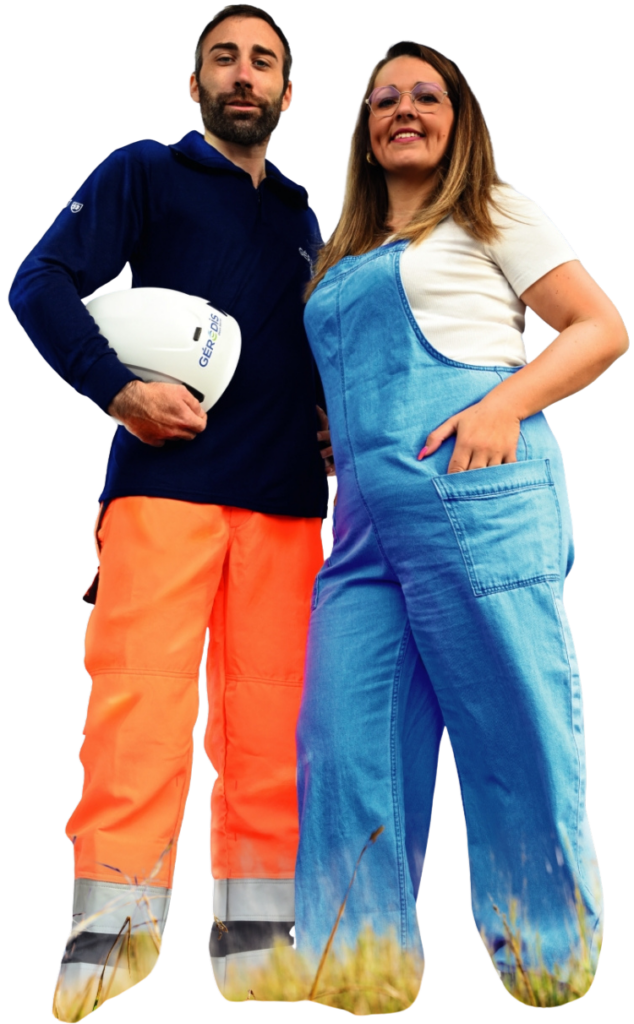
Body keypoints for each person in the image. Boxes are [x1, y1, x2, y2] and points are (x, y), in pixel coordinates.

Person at [8, 5, 335, 1017]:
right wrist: (117, 391)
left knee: (275, 723)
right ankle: (110, 937)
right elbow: (39, 281)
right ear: (194, 84)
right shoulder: (143, 171)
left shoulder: (308, 217)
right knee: (139, 708)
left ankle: (260, 942)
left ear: (288, 94)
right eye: (223, 59)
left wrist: (336, 428)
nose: (243, 75)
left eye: (263, 62)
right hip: (165, 493)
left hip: (289, 508)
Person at [293, 39, 626, 1007]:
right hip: (364, 533)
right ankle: (358, 968)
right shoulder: (339, 254)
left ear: (458, 118)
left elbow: (601, 327)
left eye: (426, 96)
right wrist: (342, 436)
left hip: (477, 498)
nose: (404, 108)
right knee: (341, 742)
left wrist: (503, 405)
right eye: (384, 98)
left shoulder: (492, 209)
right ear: (364, 128)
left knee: (510, 728)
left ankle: (549, 961)